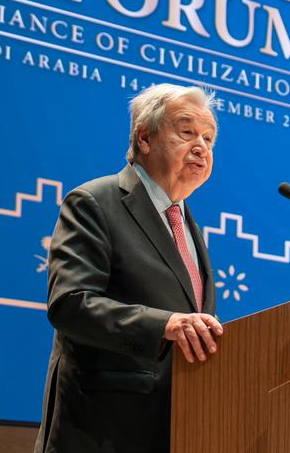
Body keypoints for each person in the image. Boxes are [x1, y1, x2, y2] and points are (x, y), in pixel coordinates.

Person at [35, 84, 223, 453]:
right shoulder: (95, 202)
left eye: (209, 138)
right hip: (102, 430)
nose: (201, 146)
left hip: (178, 427)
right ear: (145, 138)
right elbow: (71, 304)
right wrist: (165, 324)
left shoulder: (188, 225)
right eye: (186, 132)